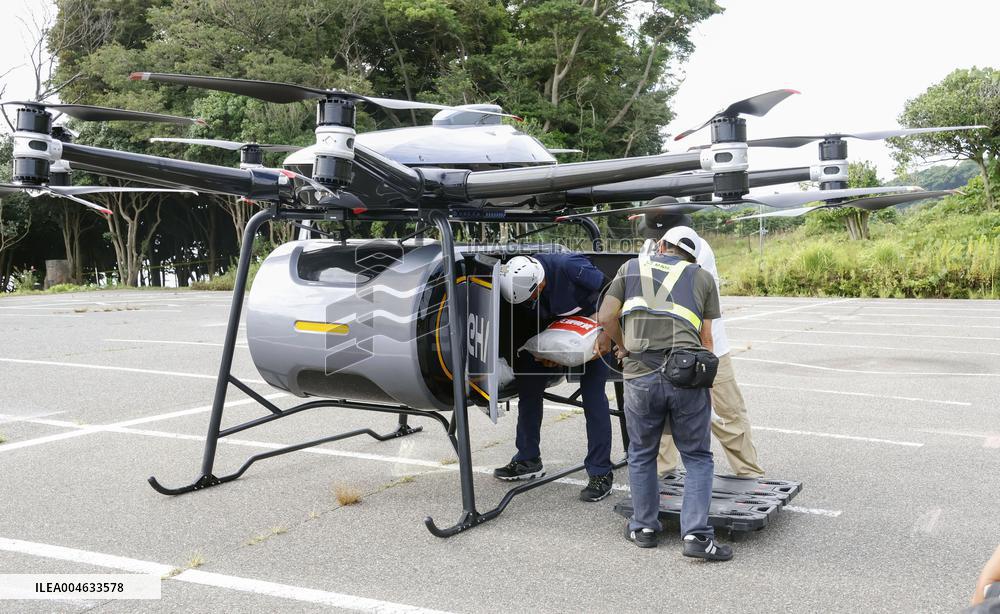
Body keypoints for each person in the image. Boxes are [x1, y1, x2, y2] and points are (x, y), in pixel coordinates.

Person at [597, 226, 732, 560]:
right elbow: (707, 341)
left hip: (639, 374)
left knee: (642, 453)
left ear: (660, 245)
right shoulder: (702, 278)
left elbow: (604, 317)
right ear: (692, 256)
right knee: (698, 457)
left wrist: (624, 346)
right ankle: (697, 538)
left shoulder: (630, 268)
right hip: (686, 374)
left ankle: (643, 528)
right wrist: (707, 387)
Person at [493, 253, 615, 502]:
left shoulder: (569, 267)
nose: (533, 300)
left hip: (593, 331)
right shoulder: (517, 284)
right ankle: (528, 458)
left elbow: (614, 291)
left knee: (593, 399)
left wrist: (608, 333)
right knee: (528, 389)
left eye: (534, 295)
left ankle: (601, 472)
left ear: (540, 282)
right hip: (551, 335)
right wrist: (543, 354)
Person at [655, 225, 764, 478]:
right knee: (661, 415)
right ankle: (662, 471)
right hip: (664, 347)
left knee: (727, 412)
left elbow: (686, 291)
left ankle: (748, 471)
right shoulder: (647, 248)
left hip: (708, 346)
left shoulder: (697, 245)